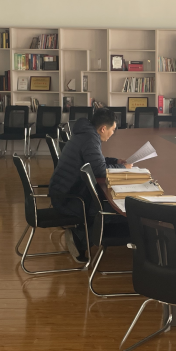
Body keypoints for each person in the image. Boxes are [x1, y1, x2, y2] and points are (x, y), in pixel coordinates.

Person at [49, 108, 132, 262]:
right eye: (113, 130)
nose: (113, 133)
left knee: (109, 204)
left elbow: (95, 160)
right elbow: (99, 169)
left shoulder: (86, 134)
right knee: (113, 211)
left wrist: (115, 161)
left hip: (65, 191)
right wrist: (122, 168)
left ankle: (81, 235)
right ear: (103, 128)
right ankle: (79, 237)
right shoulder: (90, 139)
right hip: (70, 199)